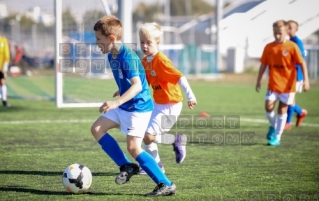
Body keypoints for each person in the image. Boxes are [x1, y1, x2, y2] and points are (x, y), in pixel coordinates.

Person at [90, 15, 176, 196]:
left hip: (138, 107)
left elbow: (137, 85)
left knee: (134, 148)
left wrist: (116, 102)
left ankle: (165, 184)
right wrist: (120, 90)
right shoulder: (112, 55)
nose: (96, 43)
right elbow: (128, 80)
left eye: (98, 39)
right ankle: (127, 166)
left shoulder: (127, 57)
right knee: (97, 128)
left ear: (111, 39)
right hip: (124, 104)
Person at [137, 22, 197, 174]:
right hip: (157, 104)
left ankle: (175, 141)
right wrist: (123, 91)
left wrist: (191, 96)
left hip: (171, 105)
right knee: (143, 133)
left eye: (148, 42)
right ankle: (156, 165)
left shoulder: (161, 60)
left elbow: (180, 77)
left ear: (157, 42)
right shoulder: (145, 62)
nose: (144, 46)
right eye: (142, 42)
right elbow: (142, 83)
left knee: (148, 135)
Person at [255, 20, 310, 146]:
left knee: (282, 109)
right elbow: (264, 64)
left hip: (288, 85)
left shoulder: (292, 47)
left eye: (280, 33)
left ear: (286, 32)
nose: (277, 36)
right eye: (275, 33)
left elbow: (302, 63)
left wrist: (306, 80)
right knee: (268, 107)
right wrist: (258, 80)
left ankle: (277, 138)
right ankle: (274, 126)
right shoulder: (269, 47)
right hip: (273, 84)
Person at [285, 20, 308, 130]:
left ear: (296, 29)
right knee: (289, 99)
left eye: (290, 28)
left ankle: (287, 123)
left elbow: (301, 60)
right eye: (287, 27)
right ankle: (300, 112)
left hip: (296, 76)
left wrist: (304, 78)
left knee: (289, 99)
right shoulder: (289, 41)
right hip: (289, 75)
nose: (288, 29)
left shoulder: (297, 42)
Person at [0, 32, 11, 107]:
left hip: (1, 66)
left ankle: (4, 100)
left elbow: (6, 54)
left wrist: (5, 65)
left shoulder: (3, 40)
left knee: (2, 82)